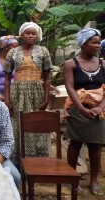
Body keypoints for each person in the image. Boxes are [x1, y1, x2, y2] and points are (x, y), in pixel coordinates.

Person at [3, 22, 52, 165]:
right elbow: (7, 79)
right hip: (17, 93)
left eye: (33, 33)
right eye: (27, 33)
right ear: (21, 35)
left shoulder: (43, 51)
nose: (30, 36)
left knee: (37, 123)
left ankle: (37, 162)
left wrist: (46, 97)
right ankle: (18, 162)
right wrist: (7, 100)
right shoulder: (13, 52)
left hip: (36, 92)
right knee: (18, 124)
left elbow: (47, 78)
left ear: (37, 35)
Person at [63, 28, 104, 196]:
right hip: (78, 109)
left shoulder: (102, 64)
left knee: (96, 146)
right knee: (75, 144)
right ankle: (72, 177)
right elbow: (70, 88)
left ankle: (93, 180)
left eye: (98, 42)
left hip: (99, 111)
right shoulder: (71, 64)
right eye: (93, 42)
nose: (97, 45)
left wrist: (100, 107)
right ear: (83, 43)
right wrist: (81, 109)